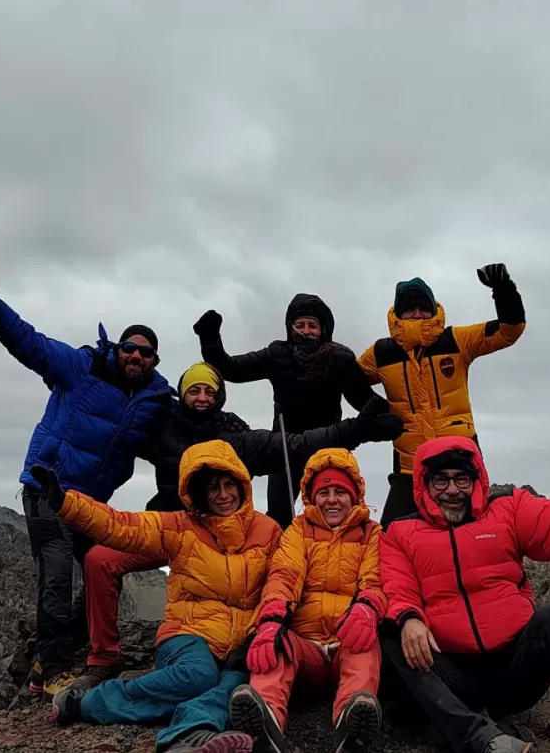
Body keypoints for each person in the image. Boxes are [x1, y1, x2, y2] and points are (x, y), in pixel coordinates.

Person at [77, 362, 402, 691]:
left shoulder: (234, 436)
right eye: (194, 390)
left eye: (209, 391)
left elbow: (293, 444)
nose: (202, 397)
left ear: (219, 396)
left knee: (265, 569)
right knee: (99, 560)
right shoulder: (160, 425)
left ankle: (250, 640)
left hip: (221, 539)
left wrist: (358, 430)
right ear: (182, 393)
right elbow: (112, 437)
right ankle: (103, 657)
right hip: (168, 527)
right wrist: (73, 493)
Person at [0, 255, 173, 697]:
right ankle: (54, 672)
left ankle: (50, 655)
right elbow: (30, 343)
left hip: (90, 505)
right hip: (47, 490)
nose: (135, 355)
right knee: (56, 576)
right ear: (119, 349)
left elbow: (183, 436)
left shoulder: (154, 400)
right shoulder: (82, 368)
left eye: (145, 351)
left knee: (104, 566)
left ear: (154, 359)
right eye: (129, 347)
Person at [379, 436, 550, 753]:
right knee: (392, 635)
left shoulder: (508, 508)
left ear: (477, 480)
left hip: (516, 669)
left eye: (462, 478)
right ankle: (484, 740)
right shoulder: (399, 533)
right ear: (423, 484)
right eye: (439, 480)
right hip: (453, 677)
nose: (452, 490)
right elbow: (398, 587)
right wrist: (409, 619)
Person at [31, 441, 284, 753]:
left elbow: (281, 583)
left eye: (229, 484)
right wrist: (67, 503)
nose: (223, 495)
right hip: (189, 635)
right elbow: (123, 526)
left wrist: (256, 634)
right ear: (198, 492)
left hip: (240, 643)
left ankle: (188, 736)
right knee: (198, 674)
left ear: (242, 485)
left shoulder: (268, 530)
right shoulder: (181, 526)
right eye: (212, 488)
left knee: (236, 686)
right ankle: (87, 702)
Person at [229, 449, 385, 753]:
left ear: (355, 496)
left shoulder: (372, 533)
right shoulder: (298, 530)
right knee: (276, 644)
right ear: (311, 498)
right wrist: (271, 621)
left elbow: (376, 580)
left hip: (346, 640)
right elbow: (283, 577)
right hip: (306, 648)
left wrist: (367, 609)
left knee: (365, 644)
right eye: (323, 492)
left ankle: (351, 726)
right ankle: (266, 721)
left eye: (340, 491)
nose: (331, 500)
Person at [357, 264, 526, 525]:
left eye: (423, 306)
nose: (417, 313)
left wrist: (503, 289)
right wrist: (375, 412)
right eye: (409, 308)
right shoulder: (381, 353)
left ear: (434, 309)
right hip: (409, 466)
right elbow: (349, 380)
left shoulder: (457, 341)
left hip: (461, 459)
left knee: (472, 532)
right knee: (392, 535)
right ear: (398, 312)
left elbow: (509, 331)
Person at [193, 294, 382, 527]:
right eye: (300, 325)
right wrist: (210, 339)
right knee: (279, 517)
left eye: (312, 325)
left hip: (328, 447)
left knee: (332, 513)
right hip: (283, 449)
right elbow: (232, 369)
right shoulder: (277, 354)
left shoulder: (340, 358)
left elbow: (363, 399)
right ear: (290, 328)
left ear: (324, 329)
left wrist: (390, 415)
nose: (306, 331)